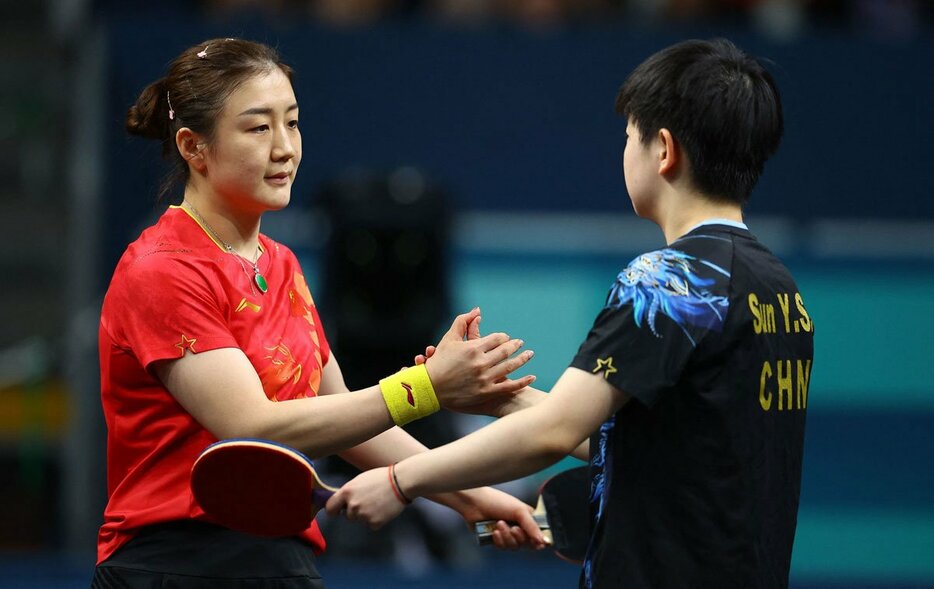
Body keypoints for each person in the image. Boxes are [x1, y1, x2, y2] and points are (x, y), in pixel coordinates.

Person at [327, 38, 815, 588]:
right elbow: (670, 445)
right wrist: (504, 399)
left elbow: (555, 433)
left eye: (628, 136)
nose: (624, 152)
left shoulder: (669, 280)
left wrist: (399, 480)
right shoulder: (781, 292)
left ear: (663, 151)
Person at [92, 38, 539, 588]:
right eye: (259, 128)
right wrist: (426, 387)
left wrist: (471, 498)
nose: (285, 148)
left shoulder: (280, 264)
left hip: (282, 563)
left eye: (293, 123)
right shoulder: (163, 270)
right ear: (193, 146)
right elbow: (250, 426)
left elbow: (342, 417)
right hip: (174, 566)